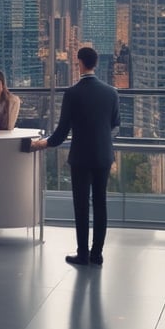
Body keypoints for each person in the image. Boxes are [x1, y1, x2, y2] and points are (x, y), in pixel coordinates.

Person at [31, 47, 119, 266]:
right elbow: (115, 125)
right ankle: (97, 254)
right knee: (100, 204)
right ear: (95, 63)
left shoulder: (72, 93)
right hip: (103, 155)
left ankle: (83, 254)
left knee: (81, 206)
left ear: (79, 63)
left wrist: (43, 143)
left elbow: (62, 132)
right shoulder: (111, 92)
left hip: (81, 157)